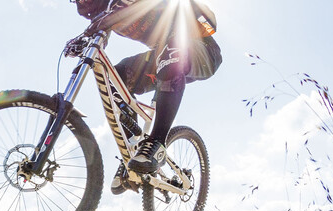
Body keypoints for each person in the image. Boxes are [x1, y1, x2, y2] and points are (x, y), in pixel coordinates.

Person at [74, 0, 222, 192]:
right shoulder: (106, 12)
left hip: (201, 50)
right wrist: (82, 40)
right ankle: (133, 153)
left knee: (172, 51)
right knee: (115, 77)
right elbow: (101, 34)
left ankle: (156, 142)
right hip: (160, 55)